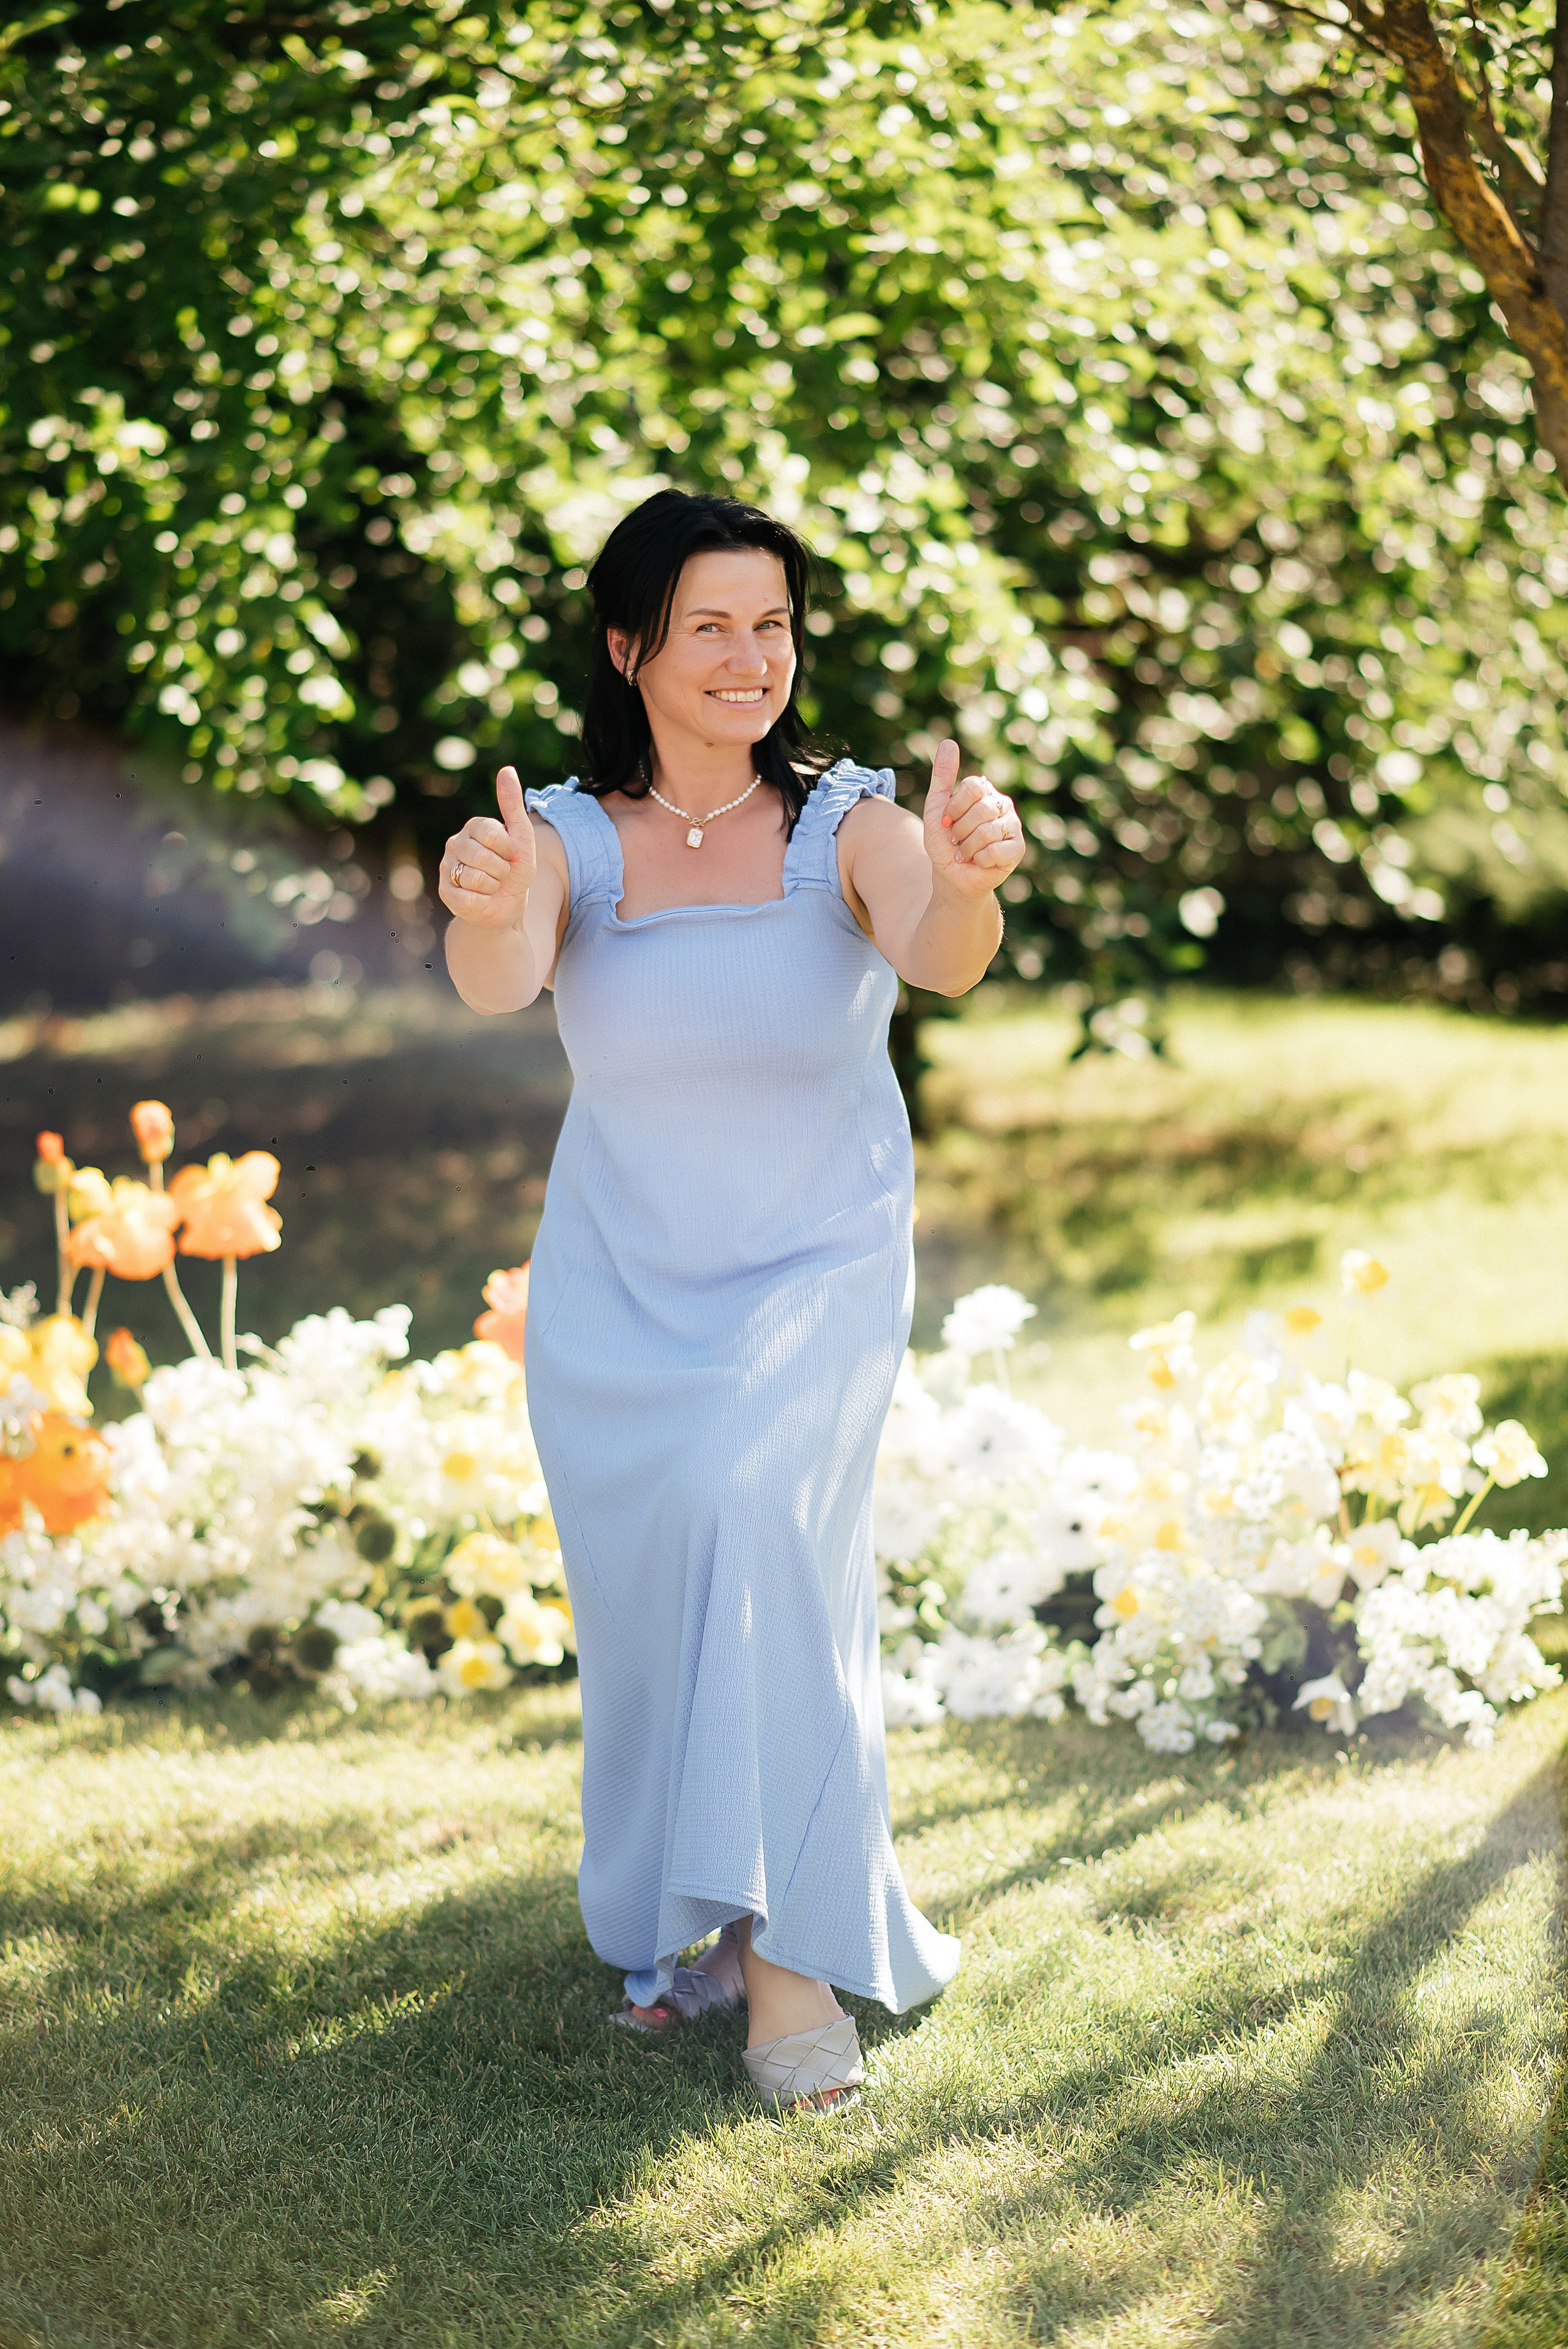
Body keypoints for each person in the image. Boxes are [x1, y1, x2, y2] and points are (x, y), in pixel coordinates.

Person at [439, 489, 1026, 2115]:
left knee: (755, 1511)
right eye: (711, 625)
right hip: (621, 1294)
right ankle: (692, 1927)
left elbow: (937, 948)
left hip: (816, 1275)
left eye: (773, 625)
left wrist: (970, 875)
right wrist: (485, 909)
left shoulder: (850, 820)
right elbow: (505, 967)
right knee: (665, 1608)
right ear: (629, 647)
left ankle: (792, 1966)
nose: (750, 658)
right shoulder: (564, 831)